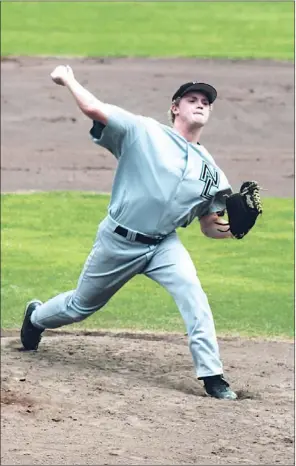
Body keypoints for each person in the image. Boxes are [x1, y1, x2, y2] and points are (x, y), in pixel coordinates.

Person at [21, 65, 238, 400]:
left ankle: (213, 376)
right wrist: (68, 79)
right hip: (118, 240)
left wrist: (234, 230)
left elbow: (210, 228)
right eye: (192, 99)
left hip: (164, 246)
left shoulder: (212, 172)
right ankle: (36, 317)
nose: (200, 104)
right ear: (175, 107)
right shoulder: (143, 132)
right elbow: (94, 109)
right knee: (80, 306)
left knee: (194, 295)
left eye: (205, 102)